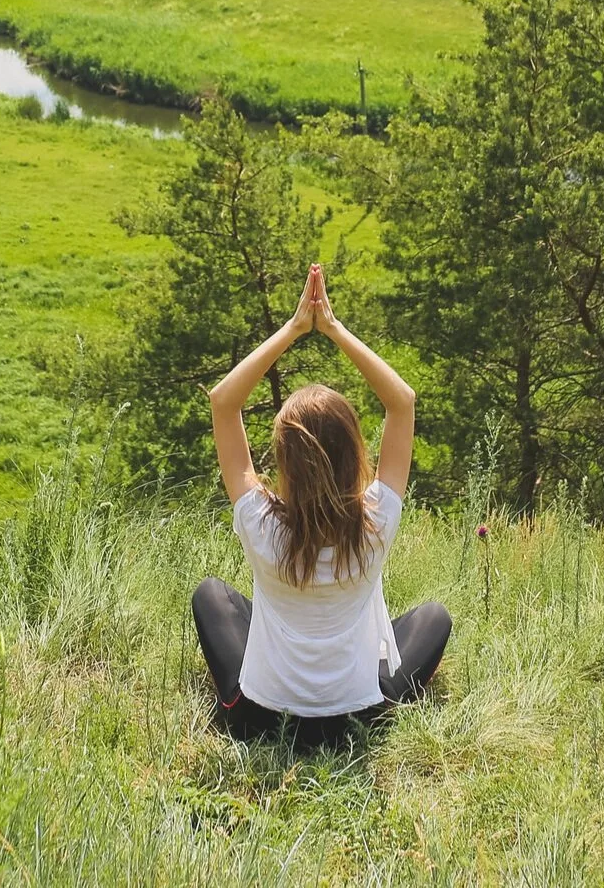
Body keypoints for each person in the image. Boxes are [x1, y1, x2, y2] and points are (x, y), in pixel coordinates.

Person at [192, 264, 450, 749]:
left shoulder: (259, 523)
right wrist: (332, 327)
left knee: (212, 594)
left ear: (286, 461)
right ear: (354, 453)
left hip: (260, 722)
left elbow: (224, 403)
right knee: (433, 616)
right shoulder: (375, 523)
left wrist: (293, 329)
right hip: (359, 721)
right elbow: (403, 402)